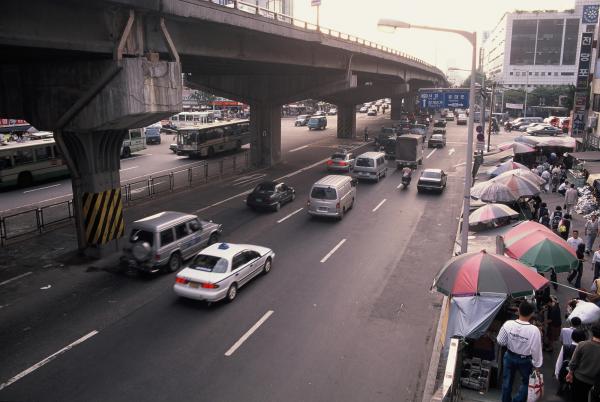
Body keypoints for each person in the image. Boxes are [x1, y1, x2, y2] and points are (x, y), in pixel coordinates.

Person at [497, 301, 543, 402]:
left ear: (518, 310)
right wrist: (537, 366)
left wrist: (511, 341)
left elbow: (500, 341)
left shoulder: (508, 324)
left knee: (506, 382)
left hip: (509, 356)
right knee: (527, 382)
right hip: (525, 360)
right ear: (531, 314)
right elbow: (536, 350)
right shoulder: (534, 330)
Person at [566, 321, 600, 401]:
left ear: (592, 331)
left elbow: (573, 363)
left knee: (575, 398)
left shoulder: (582, 344)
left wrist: (570, 373)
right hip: (593, 382)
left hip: (578, 378)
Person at [555, 328, 587, 396]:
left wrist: (557, 373)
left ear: (572, 336)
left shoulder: (566, 347)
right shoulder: (585, 349)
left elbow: (559, 361)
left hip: (565, 374)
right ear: (584, 338)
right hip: (578, 377)